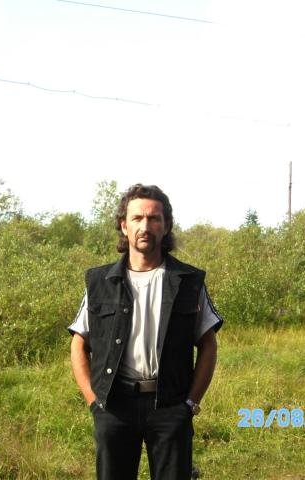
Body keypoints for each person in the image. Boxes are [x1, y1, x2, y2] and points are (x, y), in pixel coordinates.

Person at [68, 183, 223, 480]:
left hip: (170, 406)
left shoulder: (188, 281)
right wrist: (94, 402)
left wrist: (190, 404)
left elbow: (208, 344)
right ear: (124, 226)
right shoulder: (100, 282)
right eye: (137, 218)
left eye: (154, 218)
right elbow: (79, 343)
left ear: (166, 226)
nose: (145, 226)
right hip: (114, 407)